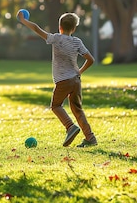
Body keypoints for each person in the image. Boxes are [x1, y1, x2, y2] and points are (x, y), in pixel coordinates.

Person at [17, 10, 97, 148]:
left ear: (60, 27)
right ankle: (90, 138)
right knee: (77, 109)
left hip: (62, 81)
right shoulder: (77, 41)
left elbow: (36, 28)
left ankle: (70, 127)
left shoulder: (55, 38)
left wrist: (24, 21)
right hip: (76, 80)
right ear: (74, 28)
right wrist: (80, 71)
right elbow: (91, 59)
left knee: (55, 105)